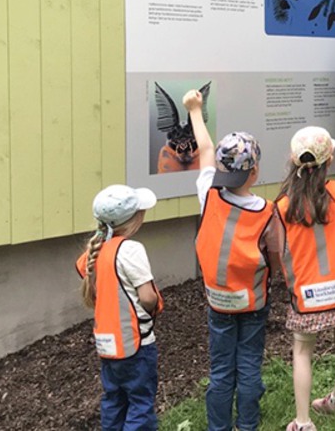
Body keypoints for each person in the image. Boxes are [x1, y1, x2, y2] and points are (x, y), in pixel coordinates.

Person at [183, 90, 283, 431]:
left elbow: (206, 150)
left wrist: (195, 110)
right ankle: (248, 425)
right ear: (254, 172)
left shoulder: (209, 194)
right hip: (253, 303)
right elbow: (275, 255)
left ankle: (218, 427)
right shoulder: (266, 213)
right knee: (250, 364)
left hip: (218, 302)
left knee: (222, 369)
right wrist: (281, 278)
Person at [276, 126, 335, 431]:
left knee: (302, 352)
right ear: (331, 160)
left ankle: (303, 422)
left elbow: (278, 250)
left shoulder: (283, 206)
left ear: (293, 160)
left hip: (308, 295)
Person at [75, 184, 163, 430]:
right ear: (135, 218)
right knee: (140, 402)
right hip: (136, 344)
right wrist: (154, 306)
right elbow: (147, 297)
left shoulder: (94, 253)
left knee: (114, 400)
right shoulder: (131, 250)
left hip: (107, 345)